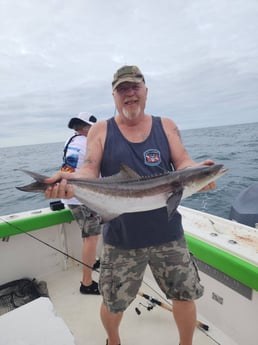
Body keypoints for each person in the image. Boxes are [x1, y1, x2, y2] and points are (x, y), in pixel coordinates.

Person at [45, 65, 216, 345]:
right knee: (113, 302)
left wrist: (199, 171)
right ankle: (114, 341)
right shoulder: (100, 130)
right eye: (122, 89)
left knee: (184, 295)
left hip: (169, 236)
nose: (129, 94)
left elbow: (183, 162)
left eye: (135, 87)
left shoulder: (166, 125)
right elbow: (89, 170)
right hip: (121, 238)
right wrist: (69, 180)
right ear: (114, 96)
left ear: (146, 91)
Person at [61, 112, 101, 295]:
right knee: (91, 238)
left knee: (88, 237)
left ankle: (92, 262)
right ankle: (86, 283)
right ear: (88, 128)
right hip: (82, 198)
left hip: (71, 196)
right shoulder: (89, 143)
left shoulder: (71, 141)